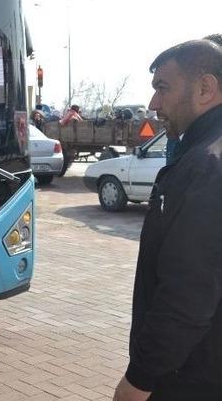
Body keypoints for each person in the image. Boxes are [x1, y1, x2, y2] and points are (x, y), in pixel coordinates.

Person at [113, 39, 222, 401]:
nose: (153, 104)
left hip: (190, 378)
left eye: (163, 88)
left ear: (205, 88)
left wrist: (138, 380)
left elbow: (187, 295)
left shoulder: (207, 166)